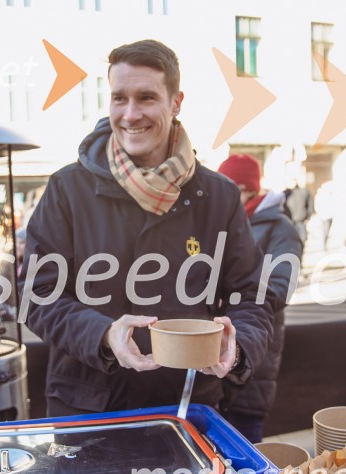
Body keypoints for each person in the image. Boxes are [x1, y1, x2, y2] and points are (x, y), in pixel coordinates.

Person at [17, 40, 274, 417]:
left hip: (188, 405)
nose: (130, 114)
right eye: (119, 98)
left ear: (176, 102)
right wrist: (104, 334)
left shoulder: (218, 195)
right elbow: (37, 293)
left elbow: (252, 296)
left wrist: (239, 345)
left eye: (146, 98)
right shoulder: (67, 189)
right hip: (88, 409)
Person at [217, 154, 303, 442]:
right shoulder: (222, 222)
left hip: (254, 350)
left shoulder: (281, 229)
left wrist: (233, 294)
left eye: (231, 190)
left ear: (249, 189)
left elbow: (280, 287)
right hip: (215, 359)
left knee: (244, 444)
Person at [283, 179, 313, 246]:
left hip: (301, 220)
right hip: (289, 222)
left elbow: (310, 204)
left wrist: (308, 217)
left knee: (302, 240)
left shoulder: (304, 191)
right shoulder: (285, 193)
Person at [314, 180, 337, 251]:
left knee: (328, 230)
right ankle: (324, 244)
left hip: (330, 215)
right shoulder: (321, 195)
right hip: (324, 215)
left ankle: (325, 243)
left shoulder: (331, 195)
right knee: (325, 230)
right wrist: (319, 213)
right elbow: (317, 205)